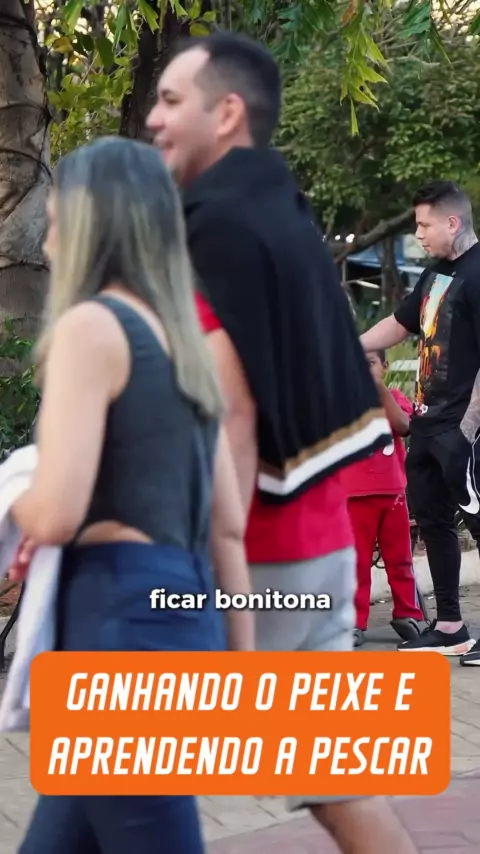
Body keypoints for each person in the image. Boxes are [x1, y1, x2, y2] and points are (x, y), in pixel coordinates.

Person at [147, 31, 419, 854]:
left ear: (227, 112)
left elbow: (232, 413)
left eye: (170, 101)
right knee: (336, 786)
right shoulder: (280, 213)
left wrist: (205, 574)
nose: (154, 119)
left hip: (255, 560)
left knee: (125, 767)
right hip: (317, 543)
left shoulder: (217, 229)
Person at [10, 137, 254, 854]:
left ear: (94, 223)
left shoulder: (91, 328)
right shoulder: (186, 347)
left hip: (120, 630)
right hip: (182, 616)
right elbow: (228, 529)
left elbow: (55, 512)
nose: (47, 237)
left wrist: (16, 489)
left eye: (58, 217)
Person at [361, 180, 480, 663]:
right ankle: (450, 626)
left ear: (452, 222)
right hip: (428, 423)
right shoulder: (435, 274)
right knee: (434, 524)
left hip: (463, 429)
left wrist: (467, 429)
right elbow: (400, 324)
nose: (418, 234)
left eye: (424, 224)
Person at [343, 350, 424, 647]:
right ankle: (354, 621)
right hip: (354, 497)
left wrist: (377, 388)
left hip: (393, 496)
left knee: (400, 559)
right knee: (357, 562)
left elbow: (404, 425)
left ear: (385, 367)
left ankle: (408, 613)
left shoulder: (395, 398)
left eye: (370, 363)